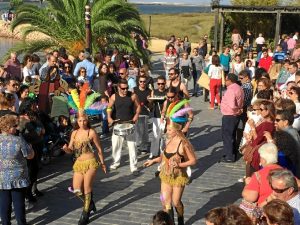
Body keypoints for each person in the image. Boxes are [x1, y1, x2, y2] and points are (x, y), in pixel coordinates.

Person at [144, 119, 197, 225]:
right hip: (165, 175)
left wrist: (179, 165)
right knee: (165, 201)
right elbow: (163, 157)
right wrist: (153, 161)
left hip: (178, 176)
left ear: (177, 130)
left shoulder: (184, 144)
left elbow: (193, 161)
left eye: (169, 130)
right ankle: (170, 222)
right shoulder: (168, 140)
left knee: (176, 202)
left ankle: (180, 219)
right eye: (167, 129)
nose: (166, 132)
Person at [62, 113, 106, 225]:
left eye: (84, 120)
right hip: (79, 163)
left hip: (90, 162)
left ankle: (85, 214)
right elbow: (71, 150)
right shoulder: (74, 133)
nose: (82, 123)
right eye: (80, 121)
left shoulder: (91, 132)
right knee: (76, 189)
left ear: (87, 120)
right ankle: (90, 203)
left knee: (87, 188)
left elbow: (99, 149)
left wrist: (103, 163)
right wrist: (66, 149)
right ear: (77, 121)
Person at [0, 114, 34, 225]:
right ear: (9, 127)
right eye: (15, 125)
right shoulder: (18, 140)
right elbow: (29, 156)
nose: (17, 127)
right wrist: (31, 149)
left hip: (2, 177)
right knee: (19, 203)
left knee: (4, 202)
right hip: (18, 177)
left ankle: (5, 223)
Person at [107, 79, 140, 174]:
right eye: (123, 88)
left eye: (127, 88)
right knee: (116, 146)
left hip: (130, 124)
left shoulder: (133, 95)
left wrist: (136, 115)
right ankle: (115, 163)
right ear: (118, 88)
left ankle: (134, 167)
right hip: (118, 124)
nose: (125, 90)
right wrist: (109, 117)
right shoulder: (114, 96)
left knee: (132, 146)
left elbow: (138, 107)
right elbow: (109, 107)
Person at [220, 73, 244, 162]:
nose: (225, 81)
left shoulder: (230, 90)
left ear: (230, 80)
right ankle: (233, 153)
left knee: (227, 136)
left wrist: (237, 110)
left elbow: (232, 105)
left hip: (229, 115)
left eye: (226, 80)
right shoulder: (239, 88)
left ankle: (229, 156)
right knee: (232, 135)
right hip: (235, 116)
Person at [149, 76, 167, 159]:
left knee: (164, 137)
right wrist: (150, 100)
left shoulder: (167, 92)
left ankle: (163, 154)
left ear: (165, 83)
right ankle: (153, 153)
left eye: (162, 84)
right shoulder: (154, 91)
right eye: (159, 84)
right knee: (155, 136)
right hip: (156, 116)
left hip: (166, 117)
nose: (160, 85)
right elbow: (150, 106)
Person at [133, 76, 151, 153]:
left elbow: (150, 105)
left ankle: (144, 146)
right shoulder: (134, 90)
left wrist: (150, 101)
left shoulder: (149, 91)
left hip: (144, 113)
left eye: (144, 81)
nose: (142, 83)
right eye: (141, 81)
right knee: (136, 130)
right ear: (138, 82)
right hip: (135, 113)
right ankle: (138, 144)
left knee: (144, 130)